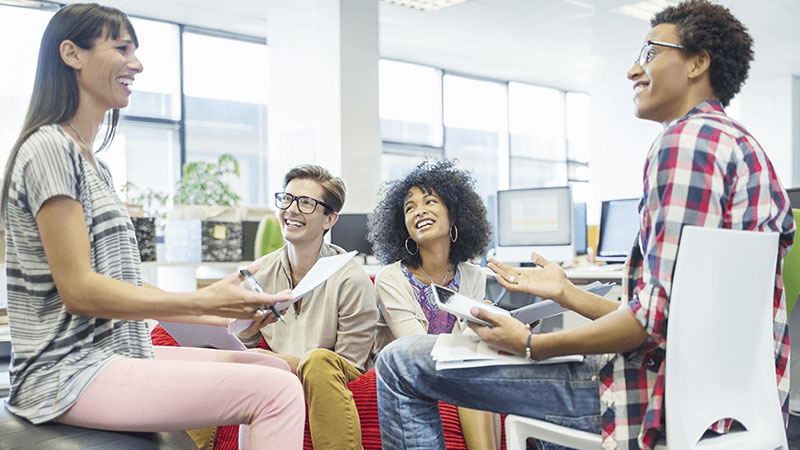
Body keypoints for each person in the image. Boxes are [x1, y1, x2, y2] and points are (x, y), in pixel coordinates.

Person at [374, 1, 795, 449]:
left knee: (401, 363)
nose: (633, 70)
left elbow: (650, 324)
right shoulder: (743, 144)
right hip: (728, 395)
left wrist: (531, 345)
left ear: (697, 62)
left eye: (650, 53)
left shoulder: (684, 143)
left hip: (650, 393)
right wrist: (565, 293)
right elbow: (674, 318)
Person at [1, 4, 304, 449]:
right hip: (66, 370)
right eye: (121, 48)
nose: (137, 63)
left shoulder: (94, 165)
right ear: (72, 54)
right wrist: (201, 300)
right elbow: (79, 291)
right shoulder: (49, 147)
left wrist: (219, 308)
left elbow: (120, 282)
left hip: (114, 354)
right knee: (277, 394)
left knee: (273, 370)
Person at [236, 164, 379, 450]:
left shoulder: (352, 279)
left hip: (334, 375)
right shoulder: (259, 273)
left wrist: (269, 360)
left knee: (318, 361)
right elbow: (242, 343)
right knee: (208, 356)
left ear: (329, 219)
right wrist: (247, 334)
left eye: (306, 203)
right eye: (287, 199)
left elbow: (350, 364)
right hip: (279, 373)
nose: (291, 209)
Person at [368, 159, 502, 450]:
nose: (419, 211)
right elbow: (414, 349)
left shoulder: (473, 275)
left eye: (430, 201)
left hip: (459, 367)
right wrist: (476, 328)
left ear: (454, 216)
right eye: (410, 207)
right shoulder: (391, 278)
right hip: (407, 373)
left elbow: (473, 344)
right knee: (472, 369)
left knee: (483, 366)